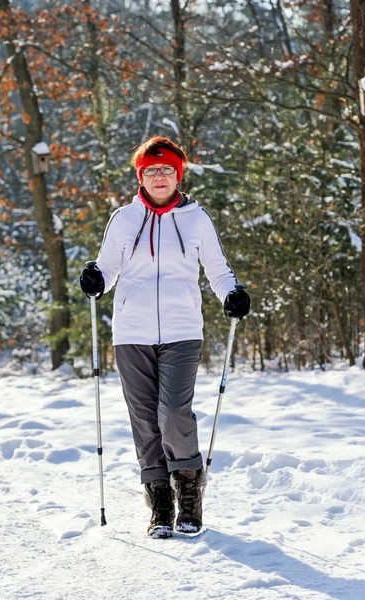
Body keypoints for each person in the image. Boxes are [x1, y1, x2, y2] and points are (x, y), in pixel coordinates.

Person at [80, 136, 250, 538]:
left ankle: (189, 489)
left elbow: (219, 270)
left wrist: (233, 294)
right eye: (151, 170)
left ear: (178, 175)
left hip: (182, 329)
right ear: (141, 175)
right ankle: (159, 500)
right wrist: (95, 279)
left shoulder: (197, 219)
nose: (159, 176)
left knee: (173, 414)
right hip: (131, 332)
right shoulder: (123, 219)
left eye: (167, 170)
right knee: (144, 419)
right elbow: (106, 270)